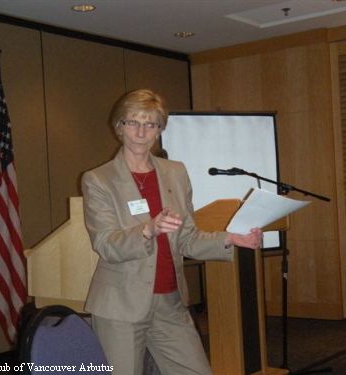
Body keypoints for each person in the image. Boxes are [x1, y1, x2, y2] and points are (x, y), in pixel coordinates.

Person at [81, 89, 262, 375]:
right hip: (122, 306)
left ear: (160, 130)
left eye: (151, 124)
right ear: (119, 127)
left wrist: (229, 238)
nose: (141, 132)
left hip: (170, 301)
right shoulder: (98, 180)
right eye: (133, 122)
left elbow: (187, 238)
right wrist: (148, 230)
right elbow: (106, 244)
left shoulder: (175, 172)